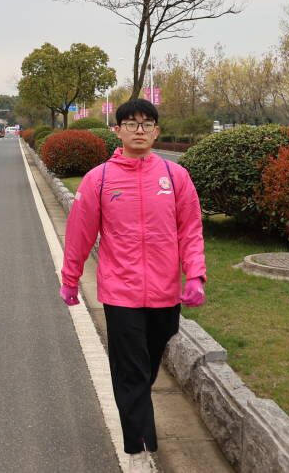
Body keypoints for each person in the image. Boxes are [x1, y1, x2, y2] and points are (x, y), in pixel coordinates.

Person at [59, 98, 206, 472]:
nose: (139, 130)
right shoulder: (99, 179)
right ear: (118, 130)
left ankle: (138, 418)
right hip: (120, 291)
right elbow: (79, 233)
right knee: (131, 370)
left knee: (147, 365)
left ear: (156, 131)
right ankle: (138, 446)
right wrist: (70, 279)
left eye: (146, 123)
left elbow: (190, 229)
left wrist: (195, 274)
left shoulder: (175, 177)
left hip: (164, 293)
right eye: (131, 123)